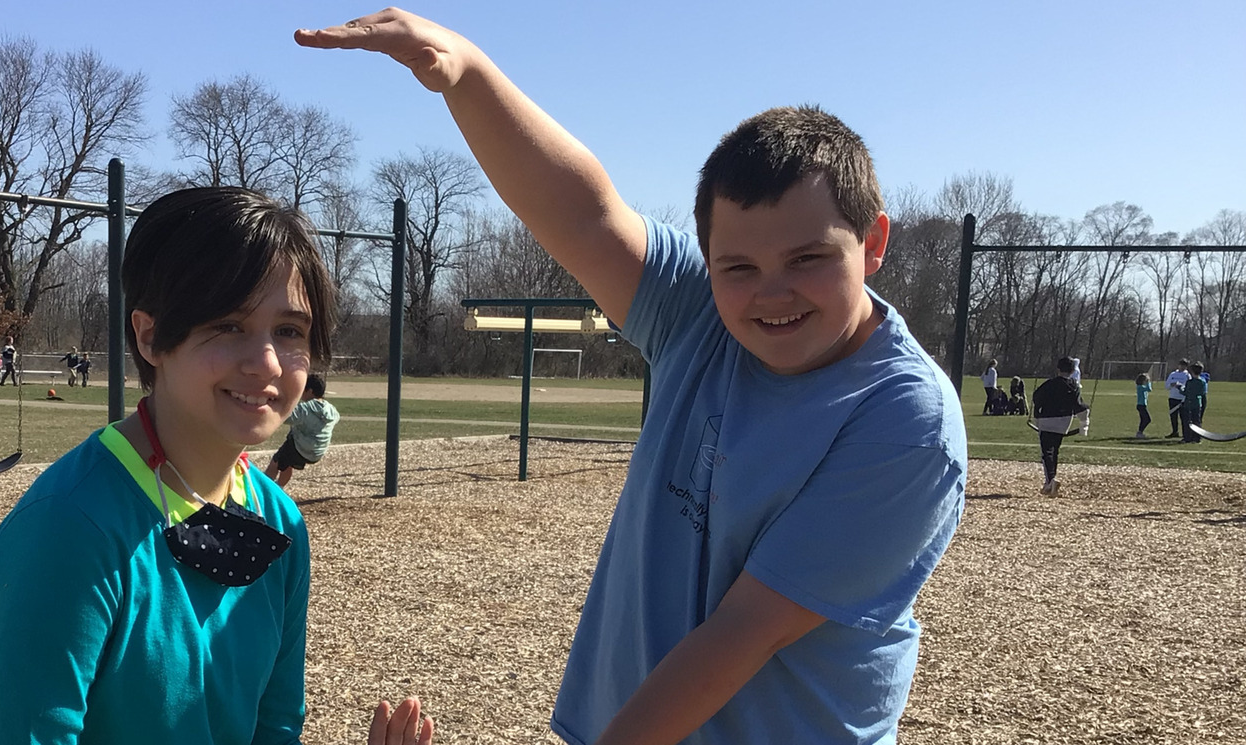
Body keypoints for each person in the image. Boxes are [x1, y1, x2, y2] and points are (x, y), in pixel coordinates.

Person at [299, 11, 964, 744]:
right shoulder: (703, 314)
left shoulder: (907, 420)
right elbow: (586, 215)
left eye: (807, 259)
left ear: (872, 243)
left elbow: (744, 633)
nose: (772, 292)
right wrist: (467, 74)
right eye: (739, 266)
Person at [0, 186, 431, 745]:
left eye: (289, 331)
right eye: (227, 325)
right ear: (150, 336)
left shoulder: (281, 523)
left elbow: (275, 729)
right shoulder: (70, 528)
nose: (265, 362)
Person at [266, 373, 341, 487]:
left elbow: (285, 417)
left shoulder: (306, 408)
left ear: (310, 391)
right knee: (287, 462)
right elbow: (336, 419)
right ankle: (279, 487)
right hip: (318, 452)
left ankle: (265, 489)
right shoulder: (331, 410)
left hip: (301, 449)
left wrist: (279, 403)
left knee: (276, 462)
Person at [1032, 357, 1089, 495]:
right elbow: (1079, 405)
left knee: (1047, 453)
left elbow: (1036, 397)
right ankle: (1051, 480)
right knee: (1054, 450)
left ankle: (1050, 481)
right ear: (1072, 371)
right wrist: (1084, 423)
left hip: (1047, 420)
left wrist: (1037, 414)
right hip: (1064, 421)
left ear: (1058, 369)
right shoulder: (1073, 385)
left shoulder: (1049, 384)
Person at [1181, 362, 1209, 443]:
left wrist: (1180, 388)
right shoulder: (1203, 382)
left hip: (1188, 404)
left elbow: (1185, 392)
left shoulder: (1190, 382)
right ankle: (1196, 438)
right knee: (1196, 421)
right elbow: (1202, 393)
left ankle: (1187, 437)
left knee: (1187, 421)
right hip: (1197, 404)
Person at [1165, 359, 1190, 438]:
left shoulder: (1187, 375)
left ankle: (1185, 433)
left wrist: (1180, 386)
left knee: (1184, 417)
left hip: (1182, 398)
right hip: (1173, 397)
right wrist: (1172, 385)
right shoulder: (1173, 374)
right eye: (1181, 365)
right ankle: (1175, 431)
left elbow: (1189, 387)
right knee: (1173, 416)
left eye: (1184, 365)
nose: (1182, 367)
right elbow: (1166, 386)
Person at [1135, 373, 1152, 439]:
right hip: (1141, 405)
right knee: (1147, 419)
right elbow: (1149, 389)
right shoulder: (1140, 387)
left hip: (1143, 405)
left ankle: (1140, 432)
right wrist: (1149, 382)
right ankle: (1139, 432)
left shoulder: (1141, 387)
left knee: (1143, 419)